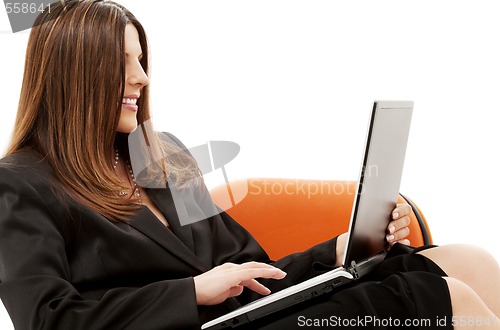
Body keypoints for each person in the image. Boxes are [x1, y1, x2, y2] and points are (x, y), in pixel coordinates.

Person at [0, 1, 498, 329]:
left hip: (246, 317)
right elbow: (46, 319)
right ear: (75, 76)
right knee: (428, 295)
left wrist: (337, 250)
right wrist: (192, 292)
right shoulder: (21, 184)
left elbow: (251, 272)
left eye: (141, 59)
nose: (142, 77)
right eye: (123, 62)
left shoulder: (160, 155)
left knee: (465, 260)